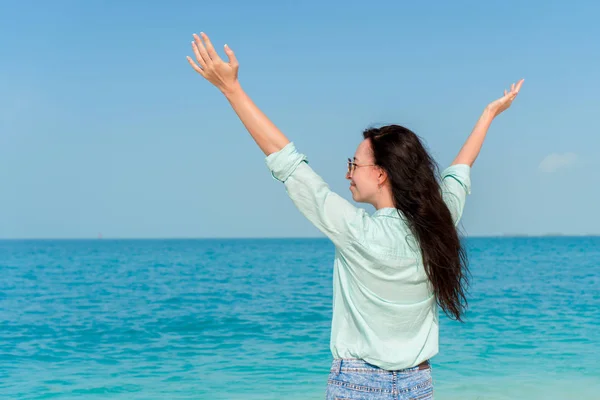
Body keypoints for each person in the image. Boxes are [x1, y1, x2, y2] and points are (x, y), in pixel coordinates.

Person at [187, 32, 524, 400]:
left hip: (358, 385)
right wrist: (489, 114)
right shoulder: (437, 224)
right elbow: (461, 168)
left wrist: (232, 90)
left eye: (355, 164)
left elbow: (288, 163)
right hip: (418, 386)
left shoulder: (355, 230)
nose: (348, 172)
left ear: (381, 173)